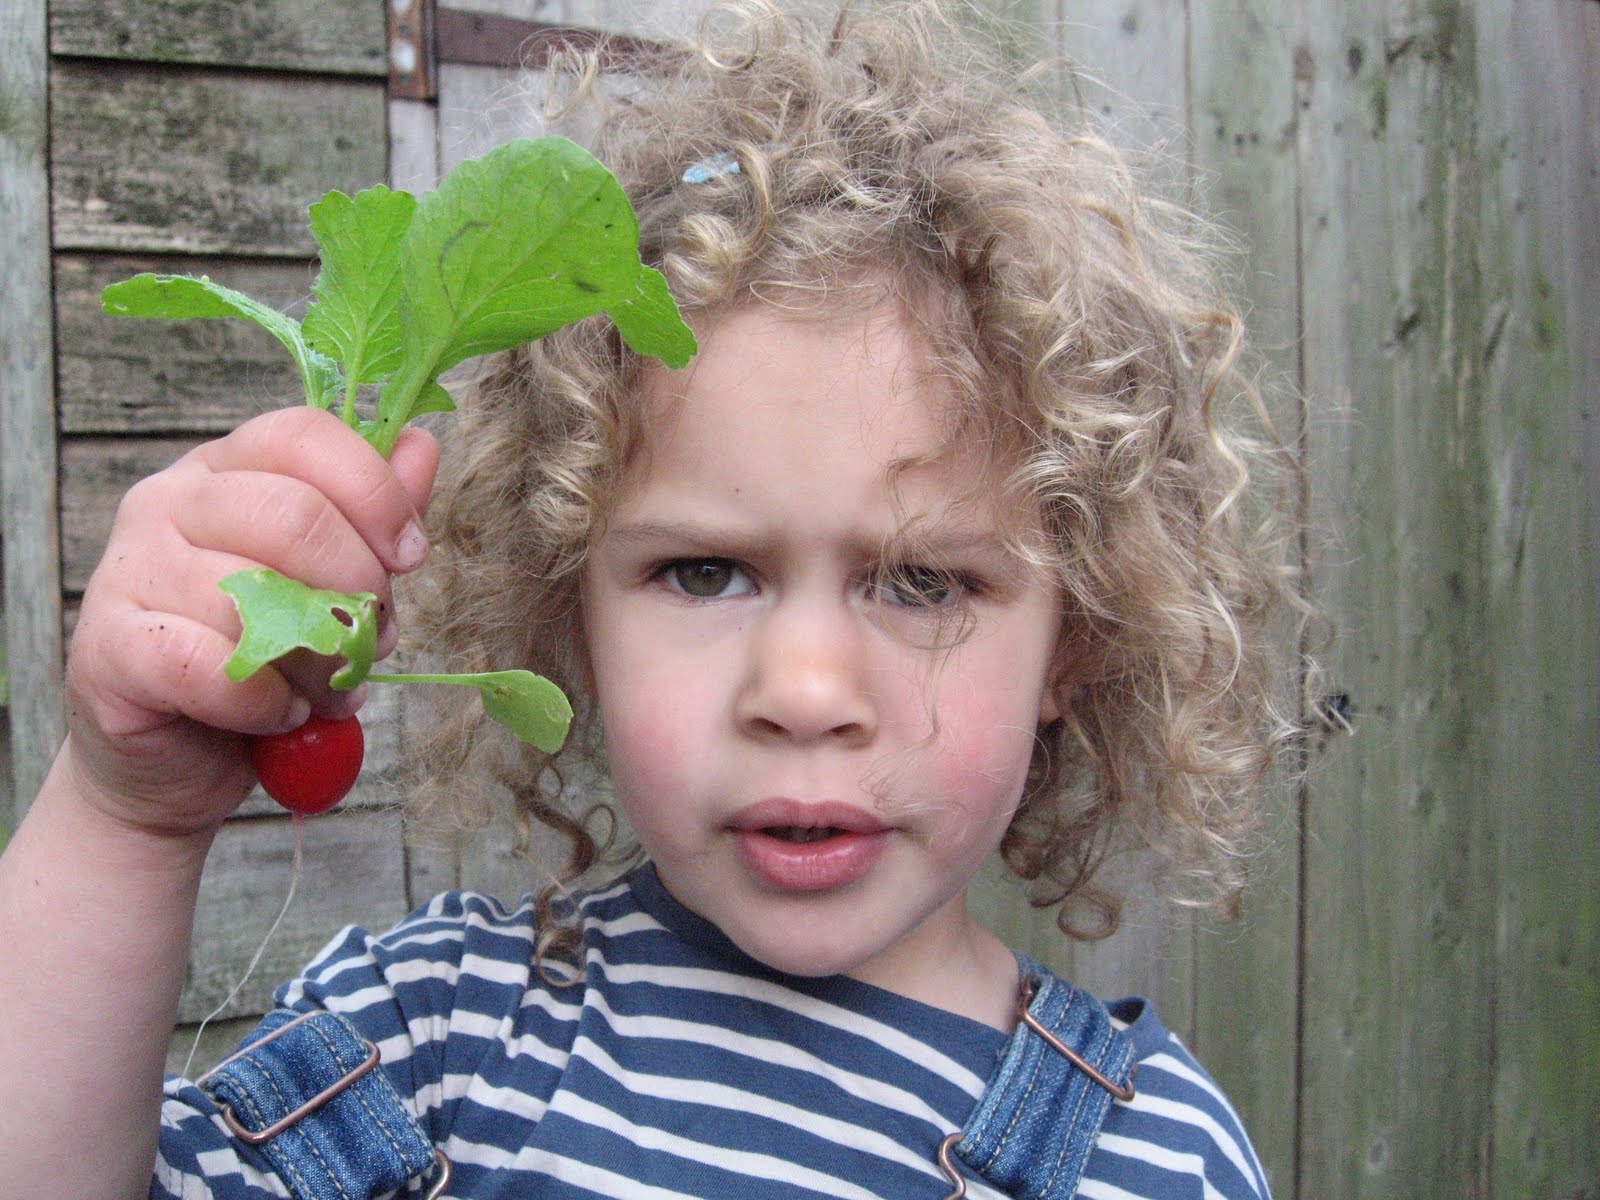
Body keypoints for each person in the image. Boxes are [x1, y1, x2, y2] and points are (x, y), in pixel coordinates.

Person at [0, 2, 1301, 1197]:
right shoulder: (427, 1046)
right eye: (702, 571)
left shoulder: (1150, 1155)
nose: (802, 692)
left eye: (922, 582)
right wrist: (127, 824)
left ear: (1075, 632)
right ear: (572, 610)